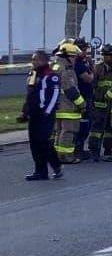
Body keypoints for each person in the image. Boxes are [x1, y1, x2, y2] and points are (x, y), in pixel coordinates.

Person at [20, 51, 63, 180]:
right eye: (33, 60)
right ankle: (40, 171)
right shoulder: (33, 74)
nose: (34, 62)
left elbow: (54, 95)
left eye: (36, 59)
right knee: (34, 144)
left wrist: (47, 111)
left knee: (44, 142)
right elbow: (30, 95)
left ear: (44, 61)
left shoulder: (50, 75)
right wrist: (24, 111)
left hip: (45, 114)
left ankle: (56, 166)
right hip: (34, 114)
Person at [53, 42, 86, 164]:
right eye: (73, 57)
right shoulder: (67, 69)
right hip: (68, 107)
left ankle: (57, 155)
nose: (74, 60)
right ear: (67, 57)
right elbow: (70, 89)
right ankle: (66, 156)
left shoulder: (55, 66)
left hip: (58, 107)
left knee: (59, 132)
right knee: (68, 132)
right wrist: (82, 103)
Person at [88, 44, 112, 161]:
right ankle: (94, 150)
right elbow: (93, 84)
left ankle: (108, 150)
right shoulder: (98, 68)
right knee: (96, 129)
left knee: (110, 129)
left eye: (107, 55)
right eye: (104, 55)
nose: (104, 57)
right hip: (100, 103)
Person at [73, 37, 95, 160]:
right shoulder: (79, 64)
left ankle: (79, 148)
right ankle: (78, 149)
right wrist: (92, 70)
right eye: (83, 49)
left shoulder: (83, 62)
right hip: (82, 97)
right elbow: (89, 79)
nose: (85, 52)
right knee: (83, 124)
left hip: (86, 95)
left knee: (86, 123)